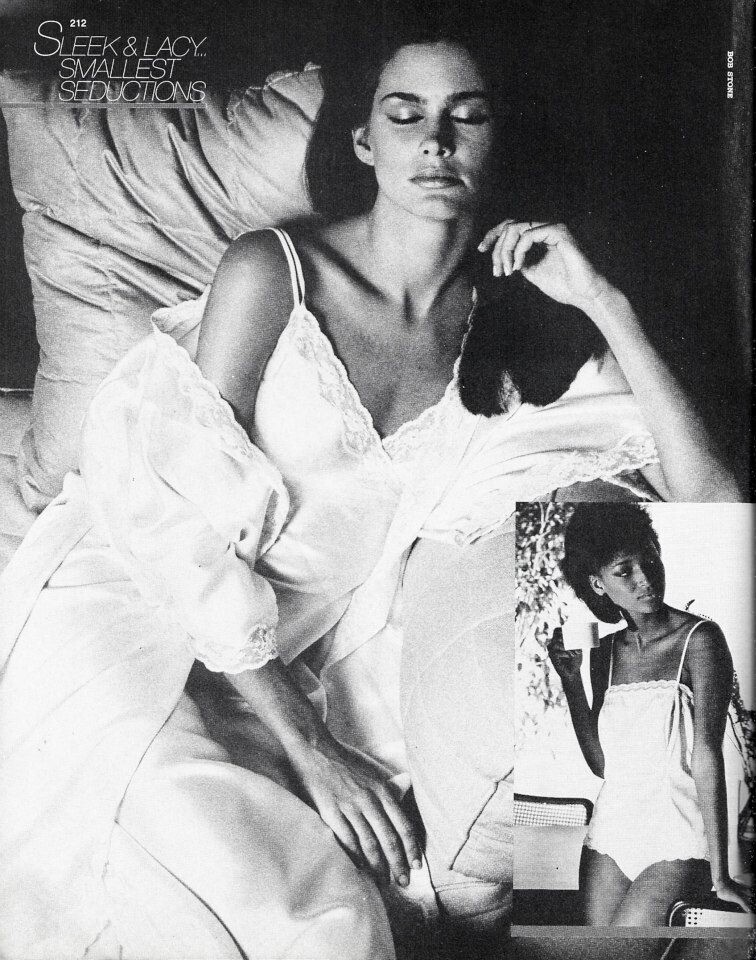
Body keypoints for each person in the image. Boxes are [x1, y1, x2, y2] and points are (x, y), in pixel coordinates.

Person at [0, 20, 742, 960]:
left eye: (467, 117)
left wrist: (604, 300)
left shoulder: (517, 339)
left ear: (500, 141)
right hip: (140, 605)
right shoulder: (274, 272)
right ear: (363, 140)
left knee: (331, 932)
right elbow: (170, 516)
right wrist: (314, 751)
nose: (435, 141)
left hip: (292, 667)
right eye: (406, 114)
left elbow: (714, 499)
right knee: (211, 886)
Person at [548, 503, 752, 926]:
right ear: (597, 584)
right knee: (593, 949)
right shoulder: (605, 653)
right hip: (611, 832)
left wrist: (721, 875)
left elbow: (706, 754)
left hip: (679, 832)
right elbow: (604, 765)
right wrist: (571, 683)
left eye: (650, 561)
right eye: (624, 571)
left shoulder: (700, 639)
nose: (645, 579)